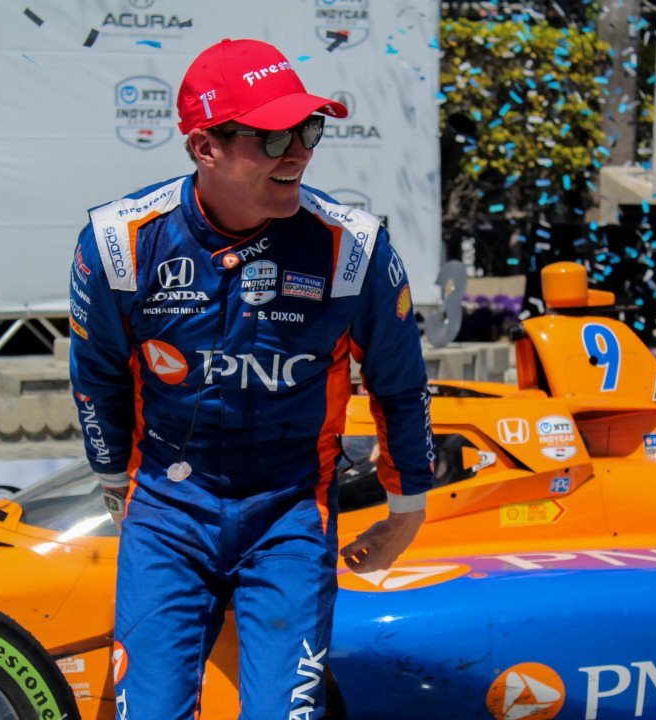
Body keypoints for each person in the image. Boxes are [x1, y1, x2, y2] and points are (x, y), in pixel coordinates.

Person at [68, 38, 435, 719]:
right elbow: (97, 374)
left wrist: (407, 506)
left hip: (290, 512)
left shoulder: (352, 244)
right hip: (167, 510)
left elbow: (399, 383)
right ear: (204, 147)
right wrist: (114, 477)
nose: (297, 152)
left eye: (309, 129)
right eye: (271, 138)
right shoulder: (121, 240)